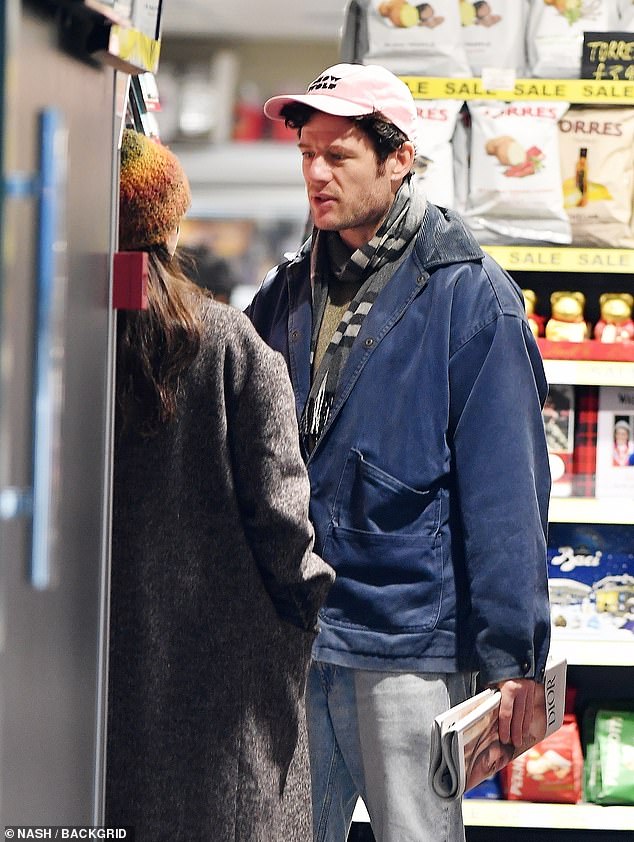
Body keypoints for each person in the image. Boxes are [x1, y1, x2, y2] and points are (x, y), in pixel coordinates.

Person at [246, 63, 552, 842]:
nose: (315, 173)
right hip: (296, 637)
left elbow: (506, 494)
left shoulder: (470, 296)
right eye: (306, 153)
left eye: (338, 154)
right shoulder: (286, 293)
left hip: (409, 650)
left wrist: (513, 659)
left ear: (397, 158)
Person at [105, 128, 334, 842]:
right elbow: (281, 517)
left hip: (96, 677)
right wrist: (304, 605)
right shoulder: (230, 345)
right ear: (171, 223)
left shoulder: (58, 338)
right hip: (223, 683)